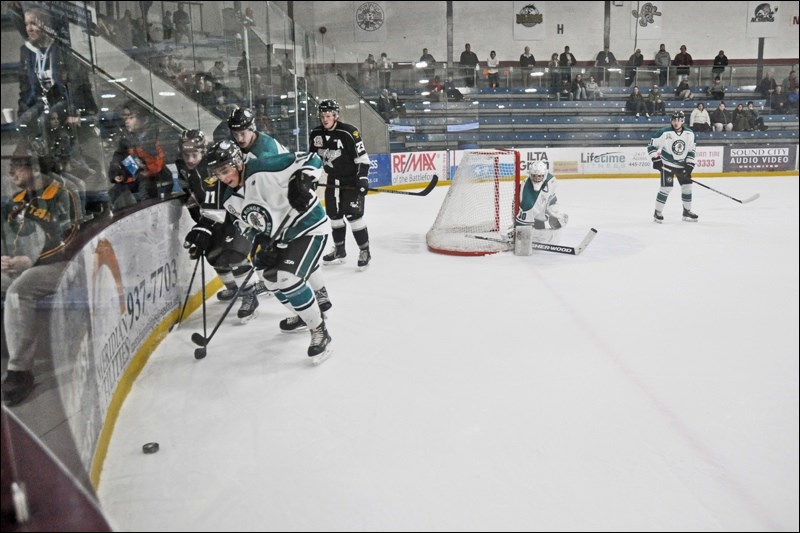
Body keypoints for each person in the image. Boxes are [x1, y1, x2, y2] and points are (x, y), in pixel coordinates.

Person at [205, 141, 333, 363]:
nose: (224, 178)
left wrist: (302, 181)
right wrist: (261, 245)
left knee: (288, 279)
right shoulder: (229, 199)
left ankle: (320, 330)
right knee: (270, 279)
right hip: (283, 238)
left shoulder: (264, 166)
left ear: (237, 162)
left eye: (225, 170)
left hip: (310, 226)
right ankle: (303, 316)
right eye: (218, 174)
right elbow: (249, 227)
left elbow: (312, 159)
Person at [2, 141, 79, 405]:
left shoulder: (63, 194)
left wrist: (29, 261)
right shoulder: (15, 200)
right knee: (16, 282)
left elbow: (69, 241)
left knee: (19, 290)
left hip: (59, 266)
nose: (11, 172)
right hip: (24, 266)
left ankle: (19, 371)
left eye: (17, 166)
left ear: (35, 168)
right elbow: (6, 236)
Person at [176, 129, 267, 315]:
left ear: (203, 151)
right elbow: (192, 196)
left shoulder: (212, 167)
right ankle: (234, 287)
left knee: (235, 254)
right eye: (187, 155)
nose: (190, 159)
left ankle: (249, 293)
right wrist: (200, 221)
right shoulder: (184, 169)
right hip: (212, 218)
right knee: (213, 254)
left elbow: (216, 200)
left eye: (195, 154)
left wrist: (203, 226)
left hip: (235, 215)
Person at [18, 7, 98, 143]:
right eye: (26, 24)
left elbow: (77, 83)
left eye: (33, 23)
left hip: (64, 102)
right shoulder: (26, 51)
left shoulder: (63, 49)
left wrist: (78, 111)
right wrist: (23, 111)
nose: (29, 29)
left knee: (46, 121)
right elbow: (25, 86)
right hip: (41, 103)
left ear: (46, 25)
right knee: (22, 123)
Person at [309, 100, 372, 270]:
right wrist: (310, 178)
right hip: (332, 181)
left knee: (353, 216)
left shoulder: (349, 132)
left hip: (351, 181)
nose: (325, 119)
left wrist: (363, 179)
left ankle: (364, 250)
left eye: (328, 116)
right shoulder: (315, 133)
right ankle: (339, 249)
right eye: (322, 116)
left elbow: (363, 159)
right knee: (334, 216)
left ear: (335, 116)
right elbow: (312, 160)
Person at [107, 100, 173, 208]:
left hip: (154, 180)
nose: (127, 121)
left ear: (144, 120)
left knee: (145, 193)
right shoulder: (126, 139)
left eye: (131, 118)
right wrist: (116, 172)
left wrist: (144, 170)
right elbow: (118, 157)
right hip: (135, 179)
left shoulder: (155, 138)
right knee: (114, 193)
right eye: (125, 118)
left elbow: (158, 162)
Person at [648, 110, 698, 223]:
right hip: (667, 165)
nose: (676, 122)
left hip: (683, 166)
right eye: (674, 120)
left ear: (682, 121)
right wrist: (656, 159)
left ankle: (687, 211)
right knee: (666, 188)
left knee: (687, 188)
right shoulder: (664, 132)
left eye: (679, 120)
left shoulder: (690, 134)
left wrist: (689, 165)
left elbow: (691, 150)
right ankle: (657, 212)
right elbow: (651, 146)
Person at [514, 160, 568, 234]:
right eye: (534, 176)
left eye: (539, 176)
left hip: (539, 211)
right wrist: (520, 232)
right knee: (525, 229)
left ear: (544, 174)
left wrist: (554, 213)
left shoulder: (551, 180)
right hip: (522, 213)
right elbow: (526, 208)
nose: (536, 179)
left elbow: (550, 197)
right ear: (530, 175)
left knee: (551, 219)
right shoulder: (526, 189)